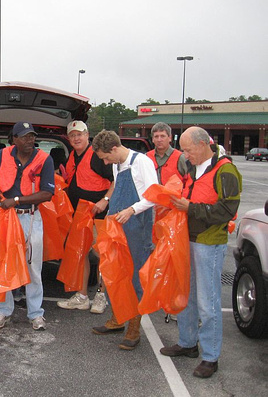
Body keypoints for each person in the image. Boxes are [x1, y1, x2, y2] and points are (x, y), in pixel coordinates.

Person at [161, 126, 242, 379]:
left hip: (209, 243)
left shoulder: (226, 170)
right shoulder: (192, 167)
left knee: (208, 303)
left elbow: (226, 212)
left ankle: (210, 357)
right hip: (187, 240)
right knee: (186, 295)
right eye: (183, 150)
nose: (185, 155)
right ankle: (187, 343)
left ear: (203, 144)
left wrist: (190, 207)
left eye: (187, 149)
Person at [0, 121, 55, 331]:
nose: (29, 140)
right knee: (2, 262)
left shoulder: (44, 159)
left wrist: (17, 200)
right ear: (14, 139)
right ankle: (2, 311)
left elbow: (47, 194)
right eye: (24, 136)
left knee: (33, 266)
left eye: (31, 136)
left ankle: (36, 314)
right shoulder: (3, 155)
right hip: (3, 216)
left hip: (29, 216)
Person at [90, 130, 158, 350]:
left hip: (137, 226)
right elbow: (118, 190)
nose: (105, 161)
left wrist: (131, 210)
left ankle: (134, 327)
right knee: (115, 271)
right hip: (118, 225)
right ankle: (118, 318)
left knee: (136, 275)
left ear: (114, 149)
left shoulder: (142, 162)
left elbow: (153, 195)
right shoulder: (116, 164)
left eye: (105, 157)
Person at [57, 120, 114, 314]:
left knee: (101, 254)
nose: (76, 138)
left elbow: (116, 181)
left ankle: (100, 296)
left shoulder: (98, 156)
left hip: (99, 214)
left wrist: (105, 200)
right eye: (72, 135)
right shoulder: (72, 156)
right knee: (81, 254)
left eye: (79, 134)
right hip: (79, 213)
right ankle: (82, 297)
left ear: (87, 135)